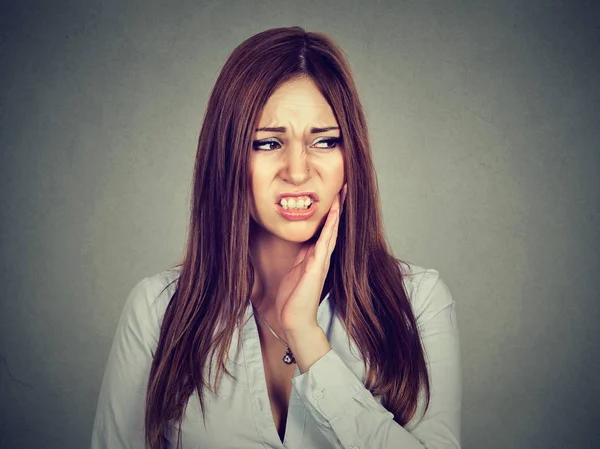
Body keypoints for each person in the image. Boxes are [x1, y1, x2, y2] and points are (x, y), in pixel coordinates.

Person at [91, 26, 461, 449]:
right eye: (267, 143)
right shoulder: (157, 311)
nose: (298, 171)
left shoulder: (419, 301)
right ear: (227, 156)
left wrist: (307, 336)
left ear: (350, 156)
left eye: (324, 141)